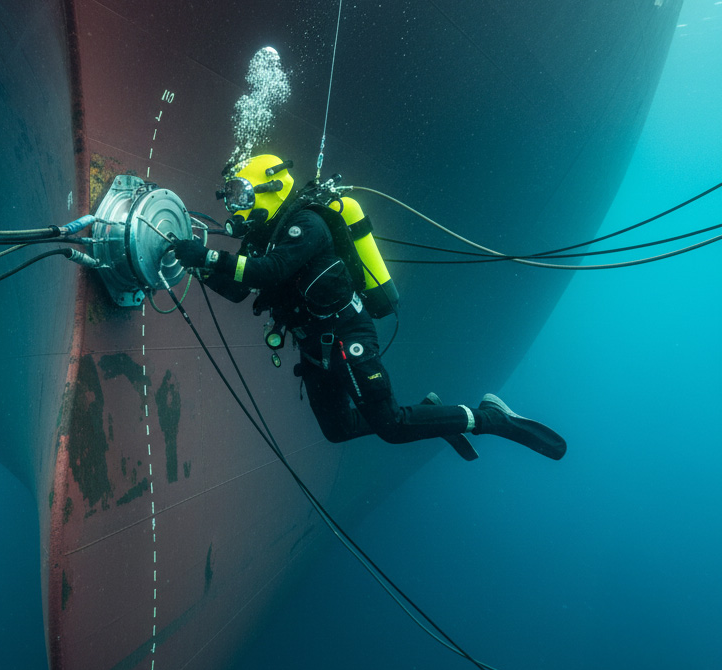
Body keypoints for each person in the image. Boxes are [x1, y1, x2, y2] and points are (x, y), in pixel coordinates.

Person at [171, 154, 566, 461]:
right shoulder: (264, 237)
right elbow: (240, 288)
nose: (235, 206)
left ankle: (490, 418)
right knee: (338, 428)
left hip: (347, 335)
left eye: (241, 193)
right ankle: (433, 417)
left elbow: (266, 272)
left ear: (270, 188)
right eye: (231, 196)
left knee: (392, 426)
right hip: (314, 347)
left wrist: (205, 258)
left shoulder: (306, 224)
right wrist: (190, 261)